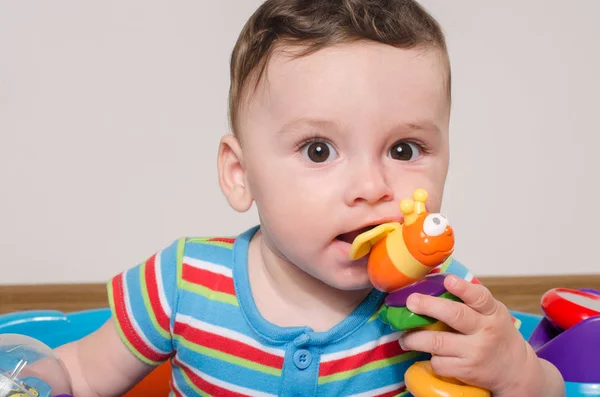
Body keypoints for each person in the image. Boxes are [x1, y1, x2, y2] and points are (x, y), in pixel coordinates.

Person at [55, 0, 566, 396]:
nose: (371, 187)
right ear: (241, 174)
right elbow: (78, 374)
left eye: (404, 149)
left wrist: (515, 371)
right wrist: (38, 377)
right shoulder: (181, 284)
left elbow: (551, 387)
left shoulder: (440, 299)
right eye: (319, 150)